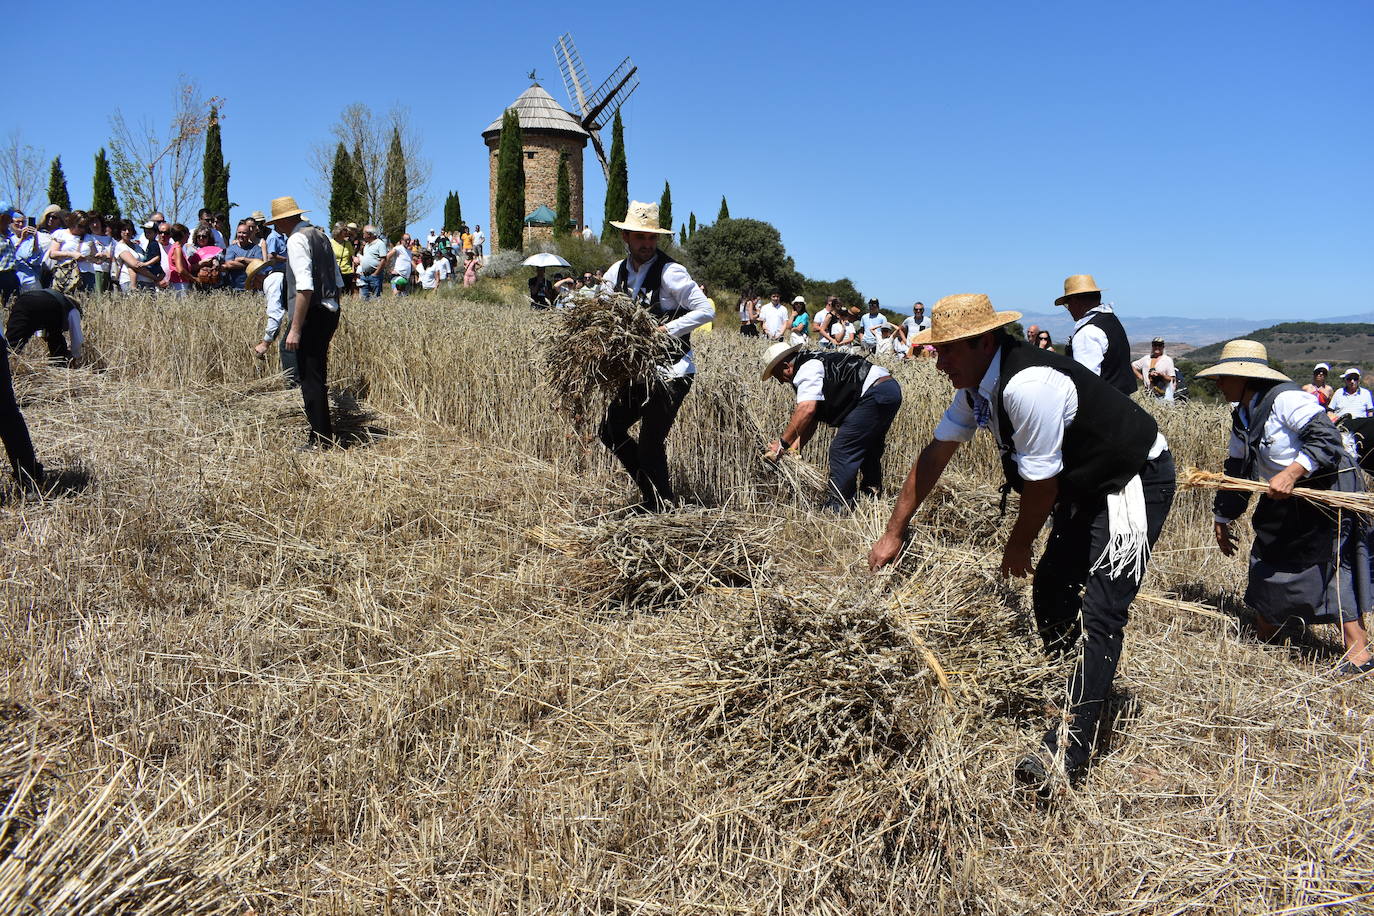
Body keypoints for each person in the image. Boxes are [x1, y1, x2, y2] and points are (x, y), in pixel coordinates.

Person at [868, 293, 1175, 790]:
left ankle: (1070, 746)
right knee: (1052, 586)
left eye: (947, 350)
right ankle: (1068, 683)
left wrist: (1018, 545)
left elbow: (1041, 487)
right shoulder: (976, 388)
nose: (937, 360)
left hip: (1130, 478)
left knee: (1103, 606)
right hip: (1083, 482)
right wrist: (893, 531)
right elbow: (934, 455)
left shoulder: (1028, 386)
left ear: (983, 342)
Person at [1197, 340, 1373, 673]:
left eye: (1224, 377)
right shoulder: (1243, 416)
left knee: (1330, 561)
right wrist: (1222, 516)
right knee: (1269, 551)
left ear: (1246, 378)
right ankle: (1270, 628)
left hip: (1325, 489)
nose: (1218, 384)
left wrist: (1292, 472)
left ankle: (1359, 653)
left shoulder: (1287, 400)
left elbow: (1327, 439)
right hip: (1286, 494)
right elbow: (1237, 469)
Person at [598, 200, 714, 512]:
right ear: (626, 238)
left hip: (674, 372)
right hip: (639, 373)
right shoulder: (616, 273)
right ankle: (654, 497)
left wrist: (668, 330)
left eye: (651, 238)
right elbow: (603, 310)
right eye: (640, 238)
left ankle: (661, 505)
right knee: (610, 431)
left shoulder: (670, 272)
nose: (647, 244)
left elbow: (706, 310)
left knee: (650, 444)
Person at [761, 340, 903, 512]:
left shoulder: (806, 369)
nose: (782, 382)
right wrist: (793, 449)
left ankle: (838, 506)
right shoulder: (812, 362)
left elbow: (806, 409)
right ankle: (871, 496)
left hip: (874, 393)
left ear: (786, 367)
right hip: (886, 389)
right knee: (868, 447)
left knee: (842, 449)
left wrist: (781, 444)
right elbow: (812, 419)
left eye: (778, 376)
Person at [269, 196, 343, 450]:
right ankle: (322, 434)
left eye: (277, 222)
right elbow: (338, 281)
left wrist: (296, 328)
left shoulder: (297, 239)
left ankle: (321, 439)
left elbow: (304, 287)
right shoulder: (321, 236)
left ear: (285, 219)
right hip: (330, 309)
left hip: (312, 313)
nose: (277, 227)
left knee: (310, 378)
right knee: (317, 375)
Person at [1057, 274, 1136, 395]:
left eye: (1067, 304)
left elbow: (1086, 382)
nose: (1068, 309)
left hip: (1103, 408)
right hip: (1122, 404)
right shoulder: (1111, 321)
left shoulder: (1088, 332)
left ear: (1075, 301)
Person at [7, 288, 84, 363]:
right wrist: (75, 356)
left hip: (23, 300)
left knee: (12, 341)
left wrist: (44, 335)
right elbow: (77, 339)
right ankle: (60, 362)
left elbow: (38, 330)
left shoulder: (58, 299)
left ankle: (6, 364)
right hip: (49, 304)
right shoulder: (73, 308)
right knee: (55, 337)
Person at [222, 220, 263, 291]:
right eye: (239, 232)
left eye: (244, 233)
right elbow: (229, 264)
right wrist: (251, 264)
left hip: (253, 289)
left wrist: (243, 259)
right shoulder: (231, 248)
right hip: (234, 288)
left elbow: (260, 263)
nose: (241, 235)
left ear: (249, 234)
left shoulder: (256, 249)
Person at [356, 226, 387, 299]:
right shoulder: (366, 245)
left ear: (369, 234)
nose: (363, 235)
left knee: (375, 298)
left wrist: (375, 274)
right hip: (364, 276)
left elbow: (383, 260)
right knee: (364, 299)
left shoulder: (380, 244)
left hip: (375, 276)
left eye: (364, 233)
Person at [331, 223, 356, 297]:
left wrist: (353, 269)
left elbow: (352, 257)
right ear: (338, 231)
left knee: (347, 295)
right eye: (344, 230)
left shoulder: (348, 243)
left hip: (347, 273)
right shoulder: (330, 242)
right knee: (336, 295)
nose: (347, 232)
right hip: (335, 273)